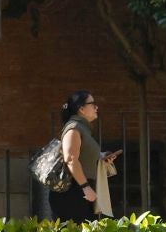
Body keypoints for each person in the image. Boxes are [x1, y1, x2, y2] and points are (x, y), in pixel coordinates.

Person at [47, 90, 121, 220]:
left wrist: (102, 157)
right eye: (93, 104)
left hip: (80, 190)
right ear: (81, 109)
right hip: (71, 191)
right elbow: (70, 159)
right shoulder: (74, 127)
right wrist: (85, 187)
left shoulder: (83, 128)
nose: (96, 107)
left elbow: (82, 156)